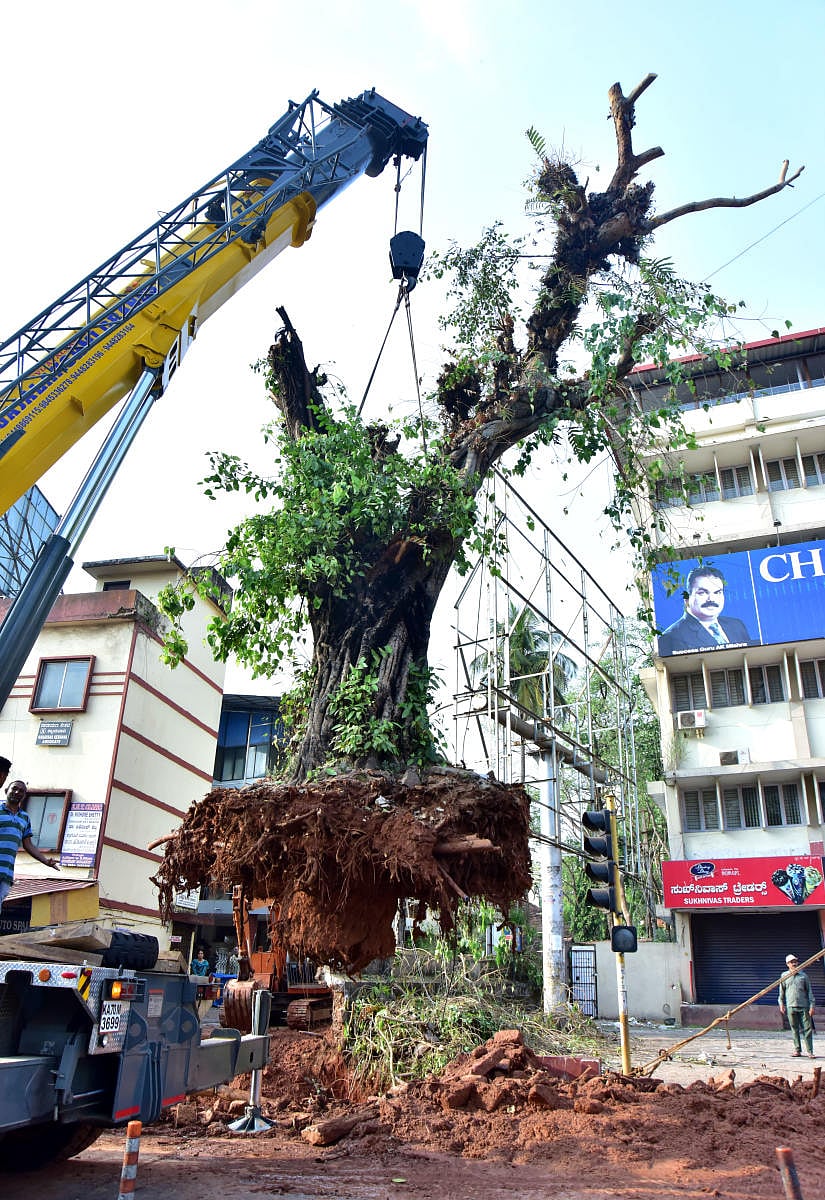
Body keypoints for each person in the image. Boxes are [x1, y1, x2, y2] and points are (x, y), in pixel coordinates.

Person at [658, 566, 755, 655]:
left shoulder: (737, 625)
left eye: (717, 592)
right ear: (687, 599)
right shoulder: (671, 637)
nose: (711, 599)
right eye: (702, 593)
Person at [0, 779, 60, 905]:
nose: (17, 792)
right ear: (6, 791)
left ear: (24, 796)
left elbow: (28, 844)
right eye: (14, 788)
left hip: (6, 873)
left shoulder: (25, 818)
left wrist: (45, 861)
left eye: (21, 791)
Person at [778, 953, 816, 1058]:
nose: (794, 963)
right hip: (791, 1006)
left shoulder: (803, 976)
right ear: (787, 964)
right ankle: (797, 1050)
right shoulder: (784, 976)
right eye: (791, 962)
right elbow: (781, 992)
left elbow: (809, 992)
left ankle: (810, 1051)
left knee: (807, 1029)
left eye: (795, 961)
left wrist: (812, 1006)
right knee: (794, 1029)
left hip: (804, 1006)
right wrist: (781, 1004)